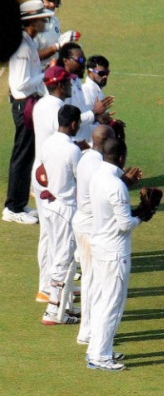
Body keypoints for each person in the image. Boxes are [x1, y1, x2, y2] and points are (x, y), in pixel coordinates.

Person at [73, 126, 141, 345]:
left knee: (95, 282)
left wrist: (125, 183)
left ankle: (91, 332)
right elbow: (112, 198)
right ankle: (89, 334)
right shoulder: (96, 165)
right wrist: (140, 213)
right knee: (94, 283)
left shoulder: (90, 160)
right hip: (93, 226)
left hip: (90, 224)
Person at [86, 138, 147, 371]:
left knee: (103, 300)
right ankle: (100, 356)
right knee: (113, 304)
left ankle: (98, 349)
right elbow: (125, 224)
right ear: (121, 157)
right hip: (114, 251)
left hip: (100, 245)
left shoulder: (99, 176)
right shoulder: (116, 185)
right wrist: (143, 214)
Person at [3, 0, 53, 225]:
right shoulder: (23, 47)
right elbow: (21, 84)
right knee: (22, 157)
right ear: (31, 21)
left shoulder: (28, 42)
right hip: (24, 105)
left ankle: (19, 203)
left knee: (26, 155)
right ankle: (12, 208)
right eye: (42, 18)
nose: (45, 21)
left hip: (29, 104)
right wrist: (46, 75)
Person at [32, 65, 75, 303]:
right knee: (57, 236)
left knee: (49, 234)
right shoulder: (57, 108)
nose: (70, 84)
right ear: (58, 85)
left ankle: (49, 286)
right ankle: (51, 290)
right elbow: (67, 138)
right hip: (52, 177)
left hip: (42, 174)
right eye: (67, 81)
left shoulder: (41, 104)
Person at [40, 104, 82, 325]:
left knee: (61, 256)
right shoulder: (72, 150)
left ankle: (65, 307)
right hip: (66, 208)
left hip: (50, 206)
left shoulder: (49, 143)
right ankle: (52, 310)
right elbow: (80, 177)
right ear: (74, 123)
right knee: (64, 259)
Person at [58, 42, 114, 145]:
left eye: (83, 59)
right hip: (77, 142)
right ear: (66, 60)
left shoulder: (76, 82)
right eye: (79, 60)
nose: (83, 63)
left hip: (84, 142)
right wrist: (95, 113)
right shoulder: (65, 88)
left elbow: (84, 115)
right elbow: (69, 121)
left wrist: (101, 119)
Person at [35, 0, 80, 69]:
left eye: (55, 1)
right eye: (49, 0)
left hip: (55, 71)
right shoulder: (32, 25)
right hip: (39, 73)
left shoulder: (55, 20)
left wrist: (65, 42)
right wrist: (57, 46)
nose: (52, 4)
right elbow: (34, 57)